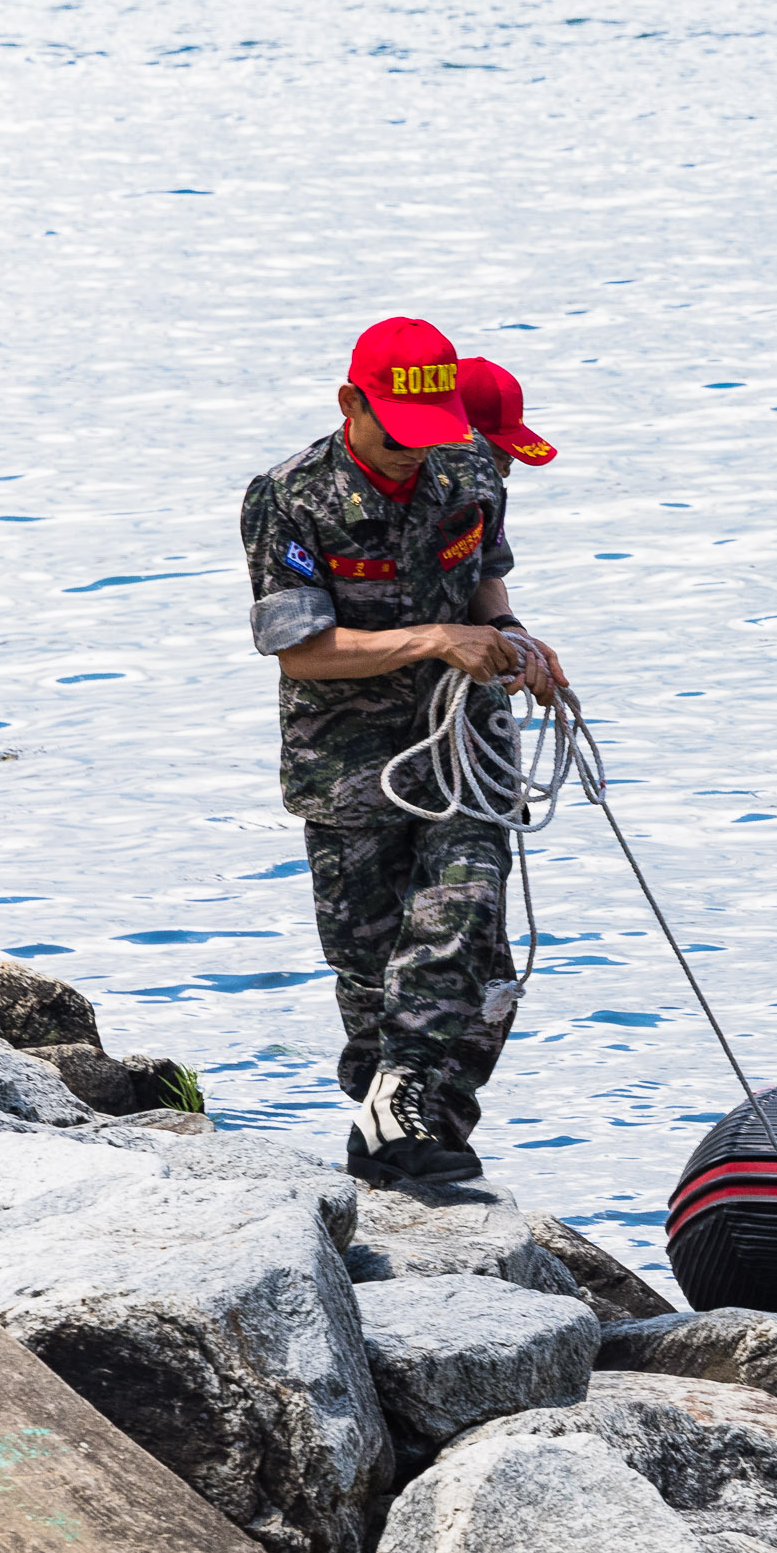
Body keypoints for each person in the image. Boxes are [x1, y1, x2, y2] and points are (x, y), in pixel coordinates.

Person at [239, 317, 571, 1185]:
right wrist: (439, 639)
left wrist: (509, 633)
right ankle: (395, 1135)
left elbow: (486, 572)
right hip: (345, 762)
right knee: (370, 967)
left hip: (464, 743)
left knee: (468, 923)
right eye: (396, 437)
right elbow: (301, 650)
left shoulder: (463, 463)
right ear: (352, 403)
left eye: (429, 437)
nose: (412, 456)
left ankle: (417, 1115)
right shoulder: (289, 497)